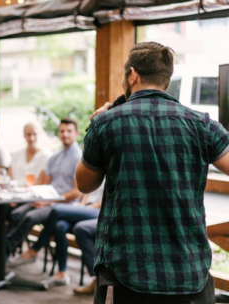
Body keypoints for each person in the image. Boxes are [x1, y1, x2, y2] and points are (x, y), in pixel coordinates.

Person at [75, 42, 228, 304]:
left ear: (132, 75)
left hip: (126, 270)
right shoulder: (202, 124)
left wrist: (95, 126)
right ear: (166, 78)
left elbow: (84, 183)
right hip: (188, 270)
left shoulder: (107, 122)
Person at [0, 118, 82, 260]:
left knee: (29, 217)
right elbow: (45, 184)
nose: (65, 134)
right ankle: (2, 251)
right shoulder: (54, 157)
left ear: (76, 133)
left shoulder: (79, 158)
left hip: (63, 205)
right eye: (62, 131)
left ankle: (0, 252)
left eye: (69, 131)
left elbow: (77, 192)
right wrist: (42, 199)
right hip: (46, 200)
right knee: (16, 214)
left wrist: (48, 202)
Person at [10, 183, 103, 286]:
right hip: (83, 208)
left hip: (97, 211)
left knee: (56, 211)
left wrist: (86, 206)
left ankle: (34, 249)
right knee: (60, 226)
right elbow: (85, 192)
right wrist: (82, 204)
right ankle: (62, 273)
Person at [8, 122, 52, 186]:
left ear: (39, 134)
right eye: (28, 134)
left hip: (33, 193)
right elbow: (9, 177)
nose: (32, 138)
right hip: (14, 191)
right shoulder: (16, 154)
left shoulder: (46, 155)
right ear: (24, 135)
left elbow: (41, 182)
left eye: (35, 134)